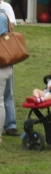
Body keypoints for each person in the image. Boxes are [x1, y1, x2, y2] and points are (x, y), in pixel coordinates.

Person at [0, 0, 19, 137]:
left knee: (5, 95)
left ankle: (10, 124)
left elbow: (6, 37)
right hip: (6, 61)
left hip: (4, 60)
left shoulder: (4, 11)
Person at [0, 12, 14, 142]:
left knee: (1, 100)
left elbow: (3, 40)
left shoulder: (0, 17)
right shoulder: (2, 16)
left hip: (2, 64)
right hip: (5, 65)